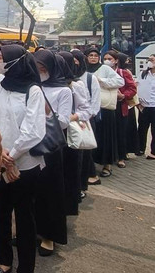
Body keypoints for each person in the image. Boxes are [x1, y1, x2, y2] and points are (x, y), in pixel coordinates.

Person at [0, 44, 45, 273]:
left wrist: (11, 155)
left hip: (25, 165)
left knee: (24, 217)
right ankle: (4, 261)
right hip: (0, 162)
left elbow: (33, 130)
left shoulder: (33, 91)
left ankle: (26, 266)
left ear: (15, 62)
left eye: (2, 57)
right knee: (1, 214)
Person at [33, 50, 72, 257]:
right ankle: (33, 232)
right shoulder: (32, 86)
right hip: (31, 142)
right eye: (36, 68)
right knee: (33, 192)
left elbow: (64, 120)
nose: (39, 73)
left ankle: (49, 236)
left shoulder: (63, 91)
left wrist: (45, 109)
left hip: (51, 146)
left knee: (50, 191)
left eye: (42, 69)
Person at [57, 51, 91, 213]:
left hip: (70, 132)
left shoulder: (75, 85)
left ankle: (69, 204)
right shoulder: (49, 83)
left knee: (70, 169)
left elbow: (86, 111)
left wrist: (69, 117)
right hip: (53, 133)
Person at [86, 47, 124, 178]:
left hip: (105, 108)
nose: (93, 58)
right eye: (90, 55)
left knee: (106, 137)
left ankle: (107, 165)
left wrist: (102, 81)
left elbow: (120, 81)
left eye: (95, 56)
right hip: (90, 109)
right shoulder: (84, 70)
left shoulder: (105, 69)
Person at [71, 49, 102, 191]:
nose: (73, 64)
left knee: (85, 152)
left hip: (86, 121)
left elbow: (95, 104)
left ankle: (85, 182)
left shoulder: (90, 78)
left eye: (75, 61)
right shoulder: (67, 78)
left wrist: (83, 117)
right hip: (71, 123)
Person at [106, 51, 137, 168]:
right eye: (105, 58)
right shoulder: (101, 73)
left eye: (110, 58)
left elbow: (132, 89)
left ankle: (121, 157)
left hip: (120, 106)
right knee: (109, 132)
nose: (107, 61)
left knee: (120, 132)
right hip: (107, 105)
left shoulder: (123, 73)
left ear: (116, 60)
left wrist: (123, 95)